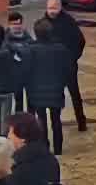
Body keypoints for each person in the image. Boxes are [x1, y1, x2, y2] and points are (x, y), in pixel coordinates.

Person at [23, 19, 73, 150]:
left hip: (37, 92)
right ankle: (58, 148)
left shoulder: (31, 50)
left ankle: (44, 146)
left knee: (41, 120)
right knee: (56, 120)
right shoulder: (61, 49)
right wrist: (61, 84)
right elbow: (67, 70)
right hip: (56, 91)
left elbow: (26, 70)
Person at [42, 0, 90, 132]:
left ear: (60, 7)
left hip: (68, 65)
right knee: (54, 94)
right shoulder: (43, 23)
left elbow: (80, 41)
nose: (51, 11)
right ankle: (55, 122)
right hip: (52, 67)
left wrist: (73, 57)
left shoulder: (68, 22)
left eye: (54, 8)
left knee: (75, 93)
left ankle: (81, 121)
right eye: (49, 8)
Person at [5, 11, 31, 113]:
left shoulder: (27, 37)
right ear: (9, 24)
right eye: (14, 24)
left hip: (28, 74)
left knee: (31, 101)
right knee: (18, 101)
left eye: (18, 23)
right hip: (15, 76)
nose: (16, 26)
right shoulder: (5, 39)